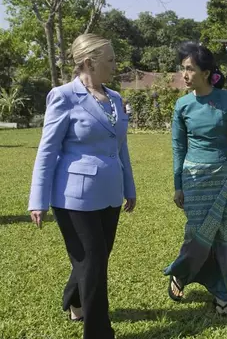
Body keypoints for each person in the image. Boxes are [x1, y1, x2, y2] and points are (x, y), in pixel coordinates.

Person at [27, 33, 136, 339]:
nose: (115, 65)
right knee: (94, 264)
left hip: (110, 194)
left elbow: (120, 147)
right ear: (89, 62)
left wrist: (129, 187)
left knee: (94, 259)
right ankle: (99, 332)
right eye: (110, 60)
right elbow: (47, 150)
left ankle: (75, 299)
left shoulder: (114, 98)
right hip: (74, 197)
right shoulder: (63, 96)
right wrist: (38, 199)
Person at [165, 42, 227, 316]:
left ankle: (221, 292)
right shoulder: (182, 105)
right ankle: (181, 274)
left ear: (205, 72)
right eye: (183, 69)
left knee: (225, 237)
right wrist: (178, 185)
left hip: (223, 178)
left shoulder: (226, 100)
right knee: (197, 236)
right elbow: (178, 147)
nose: (185, 74)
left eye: (190, 69)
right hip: (195, 179)